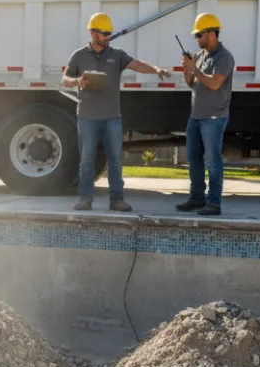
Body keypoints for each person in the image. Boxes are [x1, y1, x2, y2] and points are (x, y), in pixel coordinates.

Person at [62, 13, 171, 212]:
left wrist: (155, 69)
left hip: (112, 117)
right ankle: (85, 199)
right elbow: (65, 80)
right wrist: (77, 82)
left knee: (115, 159)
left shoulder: (117, 55)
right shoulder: (79, 56)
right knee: (86, 159)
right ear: (92, 32)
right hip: (87, 117)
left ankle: (117, 200)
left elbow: (136, 64)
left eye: (109, 34)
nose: (107, 37)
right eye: (103, 33)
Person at [177, 12, 234, 216]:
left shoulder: (224, 57)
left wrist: (196, 70)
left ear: (211, 34)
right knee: (193, 159)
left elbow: (215, 83)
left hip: (214, 118)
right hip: (196, 117)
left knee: (212, 160)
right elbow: (191, 84)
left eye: (199, 35)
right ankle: (196, 199)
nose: (197, 39)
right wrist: (187, 70)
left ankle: (214, 203)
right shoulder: (200, 56)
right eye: (196, 36)